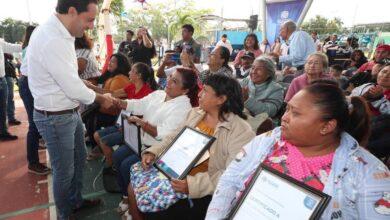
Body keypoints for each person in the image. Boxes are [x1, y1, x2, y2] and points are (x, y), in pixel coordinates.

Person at [206, 82, 390, 220]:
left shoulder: (370, 174)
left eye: (296, 113)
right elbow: (230, 180)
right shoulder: (268, 140)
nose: (284, 118)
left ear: (326, 126)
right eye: (287, 109)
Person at [27, 1, 116, 219]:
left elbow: (69, 77)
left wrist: (95, 88)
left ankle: (75, 201)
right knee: (64, 172)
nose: (91, 25)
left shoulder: (61, 33)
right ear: (73, 11)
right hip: (56, 118)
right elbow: (70, 85)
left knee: (78, 160)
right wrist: (101, 98)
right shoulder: (52, 38)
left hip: (68, 113)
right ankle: (64, 215)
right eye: (90, 19)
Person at [125, 74, 255, 220]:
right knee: (133, 189)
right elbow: (173, 138)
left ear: (221, 99)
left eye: (205, 91)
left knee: (156, 210)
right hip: (175, 171)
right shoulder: (195, 113)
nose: (199, 94)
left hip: (202, 187)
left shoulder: (240, 131)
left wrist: (192, 185)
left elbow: (231, 175)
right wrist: (153, 152)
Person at [113, 68, 199, 215]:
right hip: (141, 141)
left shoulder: (184, 108)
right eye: (170, 77)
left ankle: (134, 204)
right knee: (117, 157)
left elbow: (164, 135)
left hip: (156, 149)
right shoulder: (160, 94)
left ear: (185, 90)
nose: (169, 82)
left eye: (175, 81)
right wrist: (119, 102)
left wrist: (142, 123)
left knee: (126, 165)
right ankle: (127, 196)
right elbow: (139, 104)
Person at [95, 62, 157, 168]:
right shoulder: (131, 87)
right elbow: (112, 93)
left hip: (134, 128)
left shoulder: (148, 93)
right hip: (123, 123)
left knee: (103, 142)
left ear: (139, 75)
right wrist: (93, 89)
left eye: (132, 71)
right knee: (97, 135)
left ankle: (110, 167)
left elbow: (145, 117)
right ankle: (111, 163)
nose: (128, 72)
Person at [84, 53, 131, 159]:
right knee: (89, 116)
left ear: (120, 65)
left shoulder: (120, 78)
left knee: (92, 118)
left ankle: (98, 147)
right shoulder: (111, 76)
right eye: (110, 60)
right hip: (109, 110)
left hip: (114, 113)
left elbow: (111, 95)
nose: (109, 63)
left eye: (113, 61)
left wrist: (92, 88)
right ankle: (96, 144)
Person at [18, 25, 51, 175]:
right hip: (28, 83)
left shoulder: (36, 44)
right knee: (34, 124)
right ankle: (33, 162)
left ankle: (34, 158)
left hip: (28, 82)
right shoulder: (39, 45)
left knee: (35, 123)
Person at [0, 38, 22, 141]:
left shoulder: (0, 42)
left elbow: (12, 47)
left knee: (3, 107)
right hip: (2, 79)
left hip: (2, 78)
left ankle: (3, 132)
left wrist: (27, 44)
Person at [4, 53, 21, 125]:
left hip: (7, 75)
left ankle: (11, 118)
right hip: (6, 76)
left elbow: (11, 56)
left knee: (10, 98)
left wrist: (4, 54)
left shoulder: (2, 44)